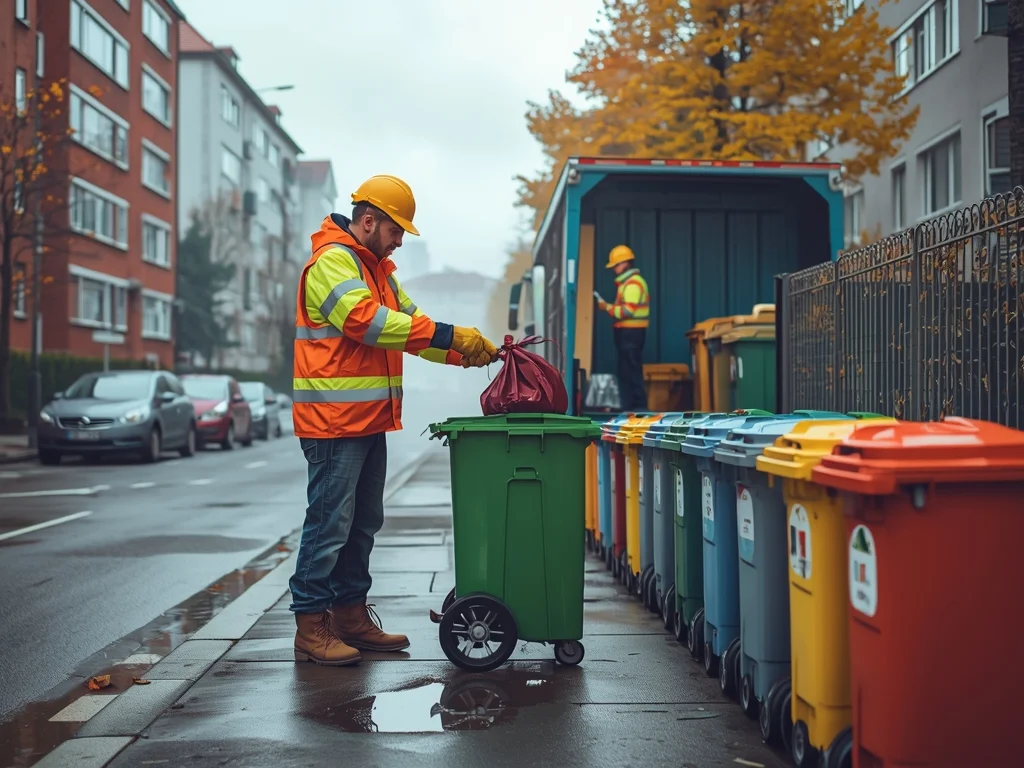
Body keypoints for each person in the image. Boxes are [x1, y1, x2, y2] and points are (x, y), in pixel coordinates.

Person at [290, 174, 499, 666]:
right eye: (396, 229)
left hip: (366, 420)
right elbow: (366, 322)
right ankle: (311, 625)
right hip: (334, 422)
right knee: (329, 524)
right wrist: (452, 334)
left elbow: (411, 328)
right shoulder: (333, 261)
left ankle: (350, 615)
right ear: (368, 221)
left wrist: (464, 354)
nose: (400, 240)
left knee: (362, 523)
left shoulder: (378, 272)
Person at [596, 244, 650, 411]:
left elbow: (627, 311)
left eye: (616, 265)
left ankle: (638, 407)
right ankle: (630, 406)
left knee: (631, 370)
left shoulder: (633, 284)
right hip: (628, 334)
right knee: (627, 371)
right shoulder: (628, 283)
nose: (614, 269)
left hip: (631, 334)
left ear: (625, 263)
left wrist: (606, 307)